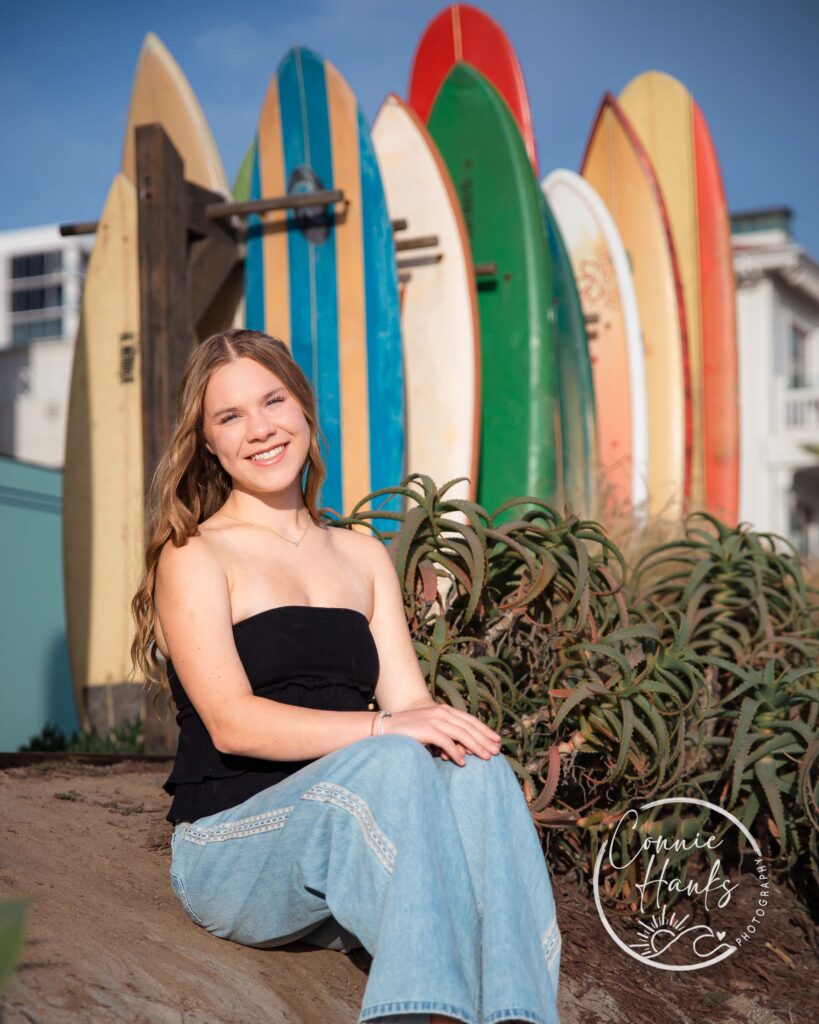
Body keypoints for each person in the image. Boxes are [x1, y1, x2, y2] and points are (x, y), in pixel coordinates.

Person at [130, 328, 562, 1024]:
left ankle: (517, 1015)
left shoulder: (361, 558)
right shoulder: (194, 556)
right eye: (230, 417)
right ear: (208, 443)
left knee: (477, 767)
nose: (260, 429)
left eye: (273, 401)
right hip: (233, 845)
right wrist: (382, 729)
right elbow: (232, 721)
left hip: (350, 834)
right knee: (390, 758)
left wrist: (427, 731)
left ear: (304, 408)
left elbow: (409, 705)